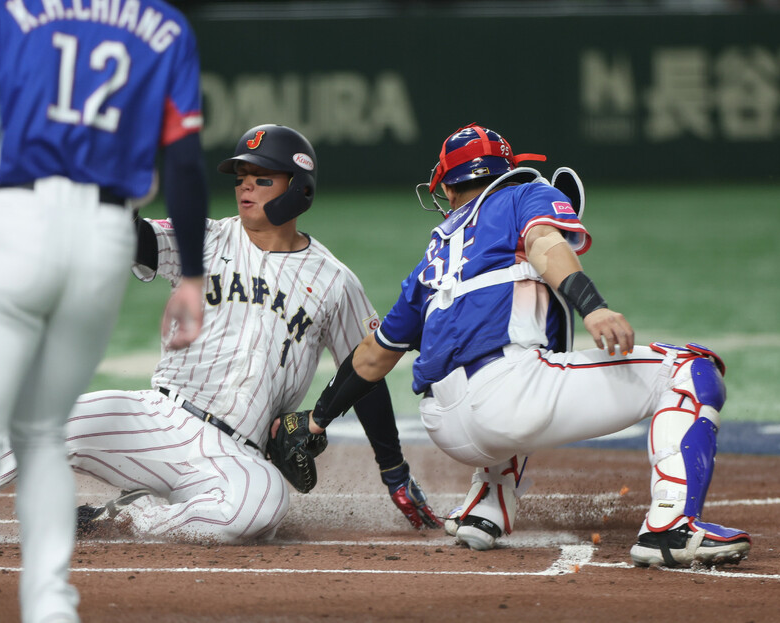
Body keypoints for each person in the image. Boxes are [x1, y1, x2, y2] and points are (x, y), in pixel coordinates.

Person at [0, 123, 440, 547]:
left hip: (234, 452)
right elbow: (136, 239)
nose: (244, 190)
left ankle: (130, 516)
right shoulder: (208, 238)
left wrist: (393, 470)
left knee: (261, 509)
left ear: (299, 191)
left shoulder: (334, 281)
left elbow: (367, 370)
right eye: (241, 179)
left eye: (260, 179)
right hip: (157, 417)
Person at [0, 3, 209, 621]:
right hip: (105, 237)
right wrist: (190, 274)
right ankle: (51, 607)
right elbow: (184, 162)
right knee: (43, 434)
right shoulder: (164, 25)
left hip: (12, 220)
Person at [298, 122, 751, 569]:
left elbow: (374, 357)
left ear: (450, 188)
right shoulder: (522, 192)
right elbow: (542, 241)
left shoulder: (432, 258)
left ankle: (485, 508)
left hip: (444, 426)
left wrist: (315, 423)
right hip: (508, 401)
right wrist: (592, 306)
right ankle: (671, 527)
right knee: (690, 368)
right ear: (505, 171)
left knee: (526, 363)